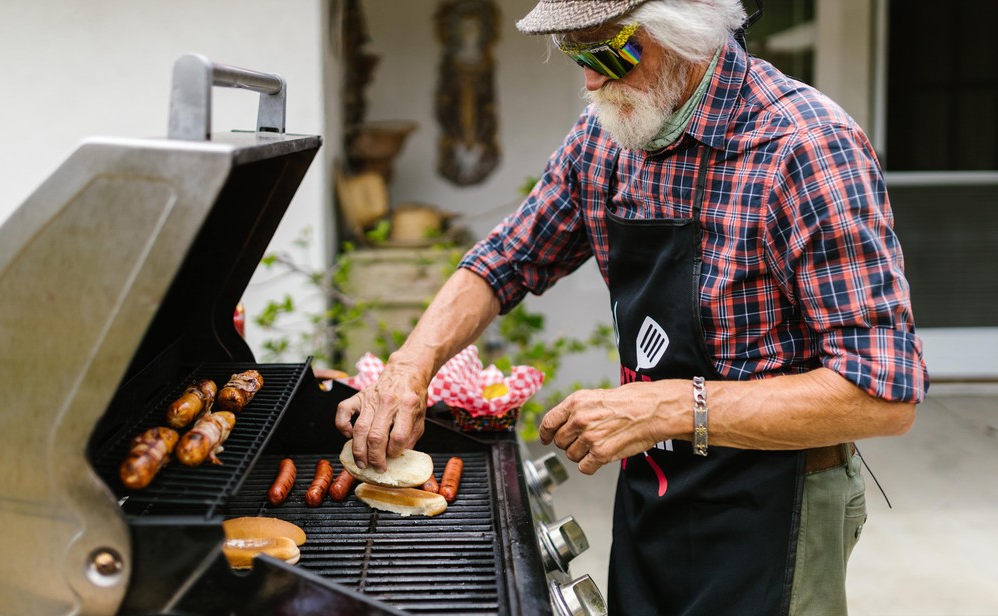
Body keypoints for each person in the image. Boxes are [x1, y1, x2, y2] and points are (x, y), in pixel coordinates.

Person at [336, 0, 929, 613]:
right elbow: (504, 261)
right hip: (657, 485)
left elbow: (883, 393)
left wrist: (669, 405)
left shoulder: (805, 147)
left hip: (777, 506)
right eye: (575, 53)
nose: (589, 80)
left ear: (687, 34)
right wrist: (407, 369)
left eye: (605, 53)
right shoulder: (609, 133)